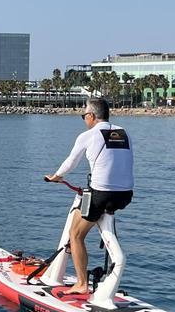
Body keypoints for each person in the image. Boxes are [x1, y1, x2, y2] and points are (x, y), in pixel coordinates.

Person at [44, 97, 133, 294]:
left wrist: (55, 177)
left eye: (84, 115)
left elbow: (70, 162)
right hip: (125, 194)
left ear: (92, 116)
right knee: (83, 215)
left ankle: (81, 284)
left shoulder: (88, 135)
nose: (84, 119)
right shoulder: (122, 133)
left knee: (75, 234)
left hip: (101, 194)